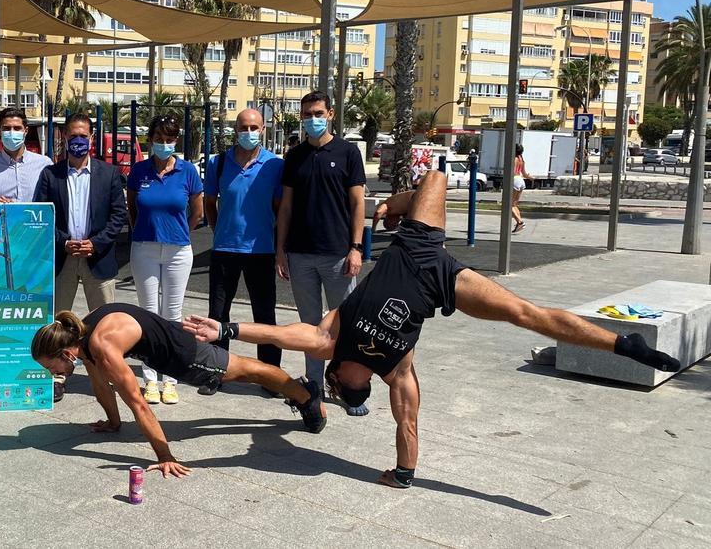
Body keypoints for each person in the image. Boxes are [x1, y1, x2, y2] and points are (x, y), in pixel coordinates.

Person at [183, 170, 680, 489]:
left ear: (335, 379)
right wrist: (403, 474)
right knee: (524, 312)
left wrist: (224, 330)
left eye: (345, 393)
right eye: (355, 398)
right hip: (444, 281)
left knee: (438, 180)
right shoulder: (398, 373)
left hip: (415, 247)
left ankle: (623, 341)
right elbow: (409, 426)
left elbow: (280, 335)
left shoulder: (333, 339)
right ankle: (621, 344)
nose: (351, 392)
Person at [31, 303, 324, 478]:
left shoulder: (102, 347)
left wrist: (164, 456)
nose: (51, 373)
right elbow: (98, 383)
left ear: (66, 352)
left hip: (183, 355)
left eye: (50, 365)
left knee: (248, 371)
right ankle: (302, 393)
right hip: (165, 346)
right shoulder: (83, 334)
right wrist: (114, 423)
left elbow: (140, 405)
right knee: (246, 372)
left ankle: (306, 395)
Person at [277, 90, 368, 420]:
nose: (311, 120)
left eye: (317, 113)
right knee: (309, 327)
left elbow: (358, 204)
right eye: (305, 115)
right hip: (300, 255)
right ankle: (313, 390)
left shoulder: (348, 153)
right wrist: (281, 251)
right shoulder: (295, 156)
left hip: (338, 256)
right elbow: (285, 207)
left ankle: (350, 387)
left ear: (330, 114)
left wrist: (356, 248)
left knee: (347, 326)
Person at [34, 113, 128, 402]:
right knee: (59, 322)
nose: (78, 140)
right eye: (72, 135)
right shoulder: (51, 174)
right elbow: (41, 215)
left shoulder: (109, 174)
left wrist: (95, 244)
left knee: (106, 322)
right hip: (63, 258)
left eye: (83, 135)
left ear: (91, 138)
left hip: (97, 259)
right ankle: (57, 376)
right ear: (64, 137)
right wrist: (63, 242)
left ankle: (106, 373)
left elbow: (118, 216)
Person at [201, 109, 285, 396]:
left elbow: (279, 208)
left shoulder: (275, 164)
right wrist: (218, 229)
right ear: (234, 129)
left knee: (264, 315)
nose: (248, 132)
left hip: (261, 251)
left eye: (253, 127)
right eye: (242, 127)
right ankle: (215, 373)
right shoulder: (219, 162)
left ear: (262, 129)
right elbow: (209, 202)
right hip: (224, 249)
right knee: (217, 314)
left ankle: (271, 376)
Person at [127, 114, 203, 405]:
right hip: (144, 248)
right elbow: (132, 207)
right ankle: (150, 380)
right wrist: (145, 231)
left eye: (169, 139)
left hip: (178, 251)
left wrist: (179, 231)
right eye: (158, 138)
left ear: (176, 140)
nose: (163, 143)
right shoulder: (139, 170)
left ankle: (170, 379)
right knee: (148, 315)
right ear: (150, 139)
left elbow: (196, 211)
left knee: (172, 316)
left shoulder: (188, 171)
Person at [0, 107, 52, 203]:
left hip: (33, 218)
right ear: (0, 131)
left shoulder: (44, 164)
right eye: (6, 128)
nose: (12, 132)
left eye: (17, 128)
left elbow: (51, 202)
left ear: (26, 131)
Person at [511, 144, 531, 234]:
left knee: (508, 205)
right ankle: (519, 222)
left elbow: (511, 171)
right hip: (521, 180)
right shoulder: (521, 160)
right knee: (514, 204)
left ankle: (520, 222)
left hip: (514, 180)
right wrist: (531, 178)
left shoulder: (513, 159)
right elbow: (524, 173)